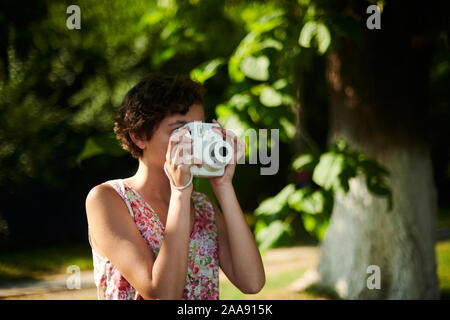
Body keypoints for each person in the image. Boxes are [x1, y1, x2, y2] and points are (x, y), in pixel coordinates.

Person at [85, 74, 265, 300]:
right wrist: (180, 192)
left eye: (199, 131)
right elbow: (161, 294)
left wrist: (223, 186)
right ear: (139, 136)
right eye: (180, 131)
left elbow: (252, 282)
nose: (193, 142)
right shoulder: (108, 199)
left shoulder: (203, 207)